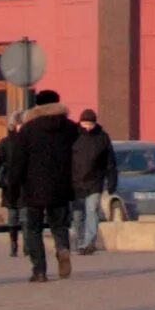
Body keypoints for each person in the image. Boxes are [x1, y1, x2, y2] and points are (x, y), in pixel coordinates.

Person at [0, 86, 81, 282]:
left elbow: (17, 162)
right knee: (59, 226)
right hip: (61, 186)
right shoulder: (71, 128)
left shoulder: (28, 130)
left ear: (38, 105)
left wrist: (13, 190)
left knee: (33, 229)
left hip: (32, 188)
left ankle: (39, 271)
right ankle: (63, 249)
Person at [68, 108, 115, 256]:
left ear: (95, 123)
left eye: (90, 124)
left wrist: (112, 181)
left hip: (95, 181)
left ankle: (89, 243)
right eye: (85, 123)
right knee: (77, 215)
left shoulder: (102, 137)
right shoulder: (72, 135)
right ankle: (80, 241)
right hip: (75, 182)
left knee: (92, 211)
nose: (87, 127)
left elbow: (110, 162)